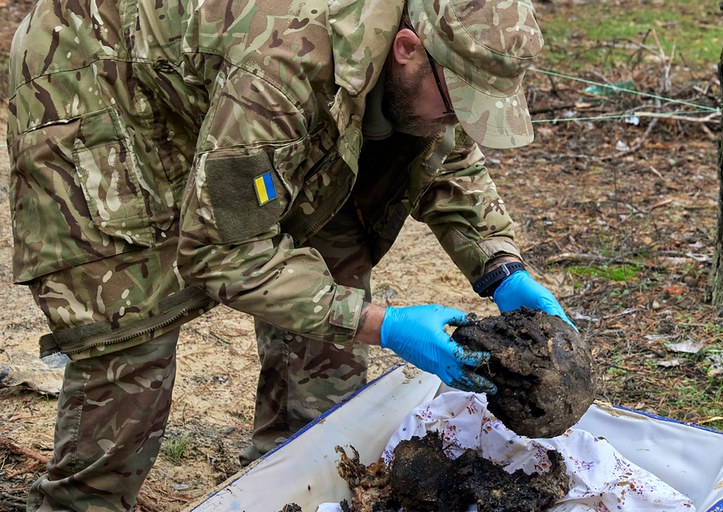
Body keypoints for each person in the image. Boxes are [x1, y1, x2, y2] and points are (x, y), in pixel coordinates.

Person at [5, 0, 573, 508]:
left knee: (336, 246)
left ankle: (292, 480)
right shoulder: (282, 69)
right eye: (458, 102)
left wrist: (502, 267)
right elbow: (223, 251)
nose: (458, 121)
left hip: (229, 75)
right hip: (96, 67)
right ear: (407, 49)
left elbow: (447, 154)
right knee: (130, 334)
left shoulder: (428, 57)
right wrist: (382, 325)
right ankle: (83, 500)